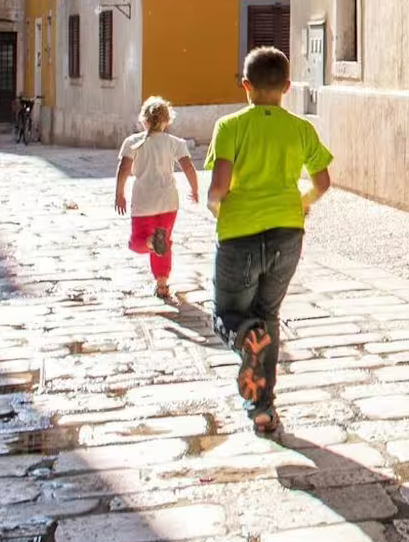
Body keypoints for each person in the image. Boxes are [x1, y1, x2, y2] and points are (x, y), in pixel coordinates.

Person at [206, 46, 332, 437]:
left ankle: (245, 339)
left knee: (228, 316)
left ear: (246, 85)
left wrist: (215, 208)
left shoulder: (229, 127)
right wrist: (303, 202)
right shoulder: (301, 128)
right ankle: (263, 410)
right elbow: (323, 182)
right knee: (269, 316)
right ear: (288, 87)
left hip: (239, 234)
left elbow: (219, 187)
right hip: (287, 234)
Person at [114, 97, 200, 302]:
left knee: (137, 242)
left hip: (143, 202)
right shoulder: (175, 143)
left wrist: (119, 194)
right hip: (168, 202)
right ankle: (162, 285)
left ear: (144, 120)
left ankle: (151, 243)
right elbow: (188, 167)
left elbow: (124, 169)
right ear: (167, 121)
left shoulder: (132, 142)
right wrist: (195, 189)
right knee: (165, 242)